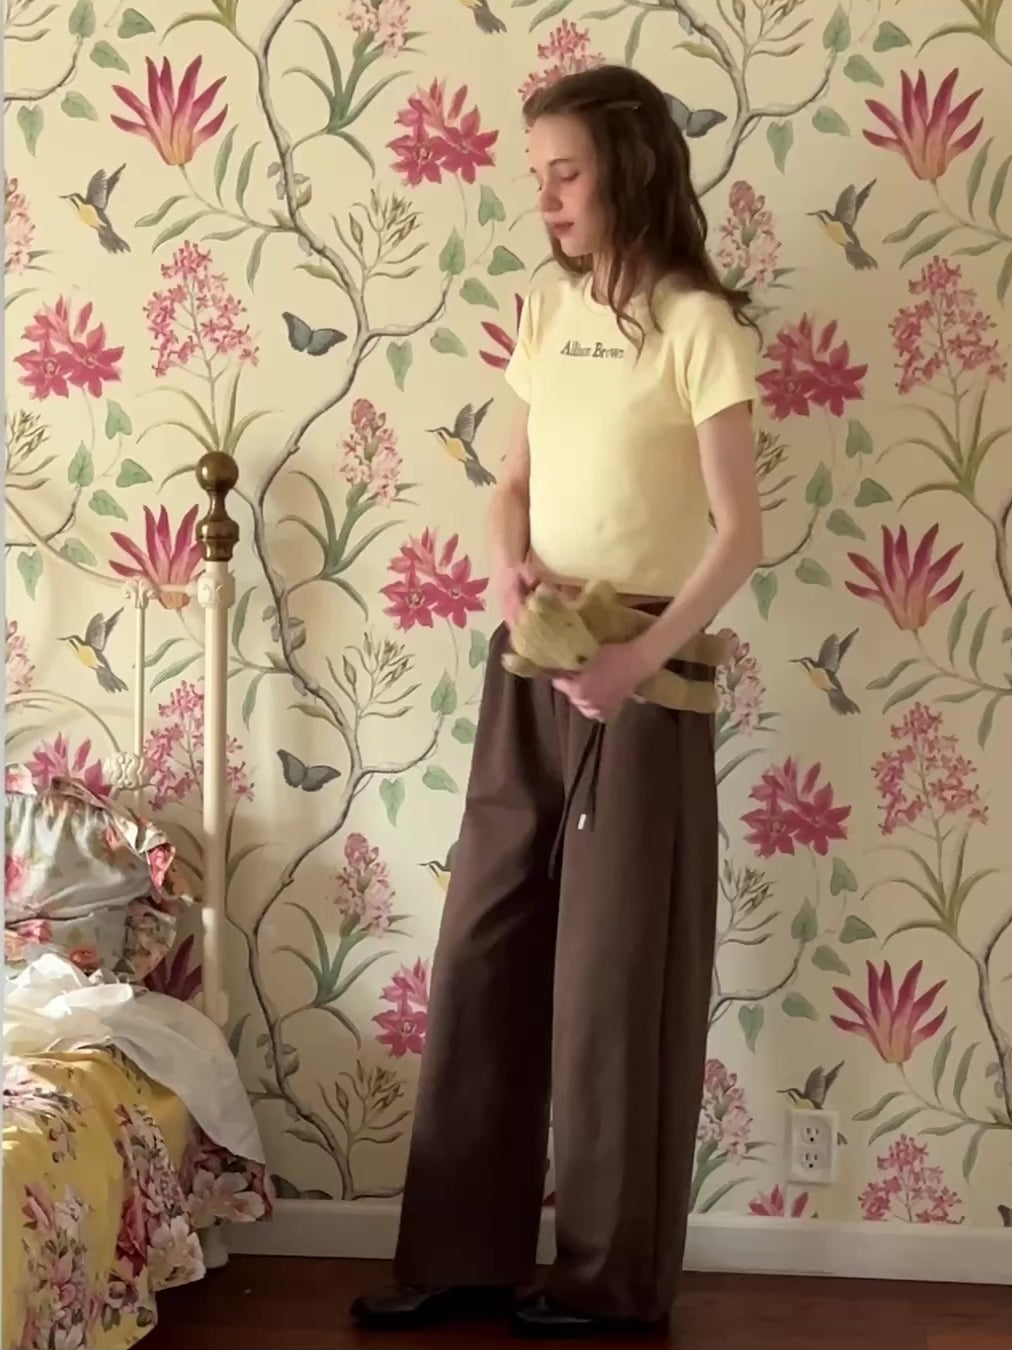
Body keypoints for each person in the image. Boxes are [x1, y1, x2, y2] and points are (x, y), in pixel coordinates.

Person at [352, 63, 763, 1339]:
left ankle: (604, 1280)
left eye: (565, 172)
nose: (544, 197)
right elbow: (511, 487)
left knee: (609, 978)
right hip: (533, 654)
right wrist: (505, 567)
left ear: (627, 169)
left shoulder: (700, 326)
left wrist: (635, 665)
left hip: (645, 675)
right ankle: (460, 1255)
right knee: (483, 944)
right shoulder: (546, 310)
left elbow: (739, 536)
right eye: (535, 175)